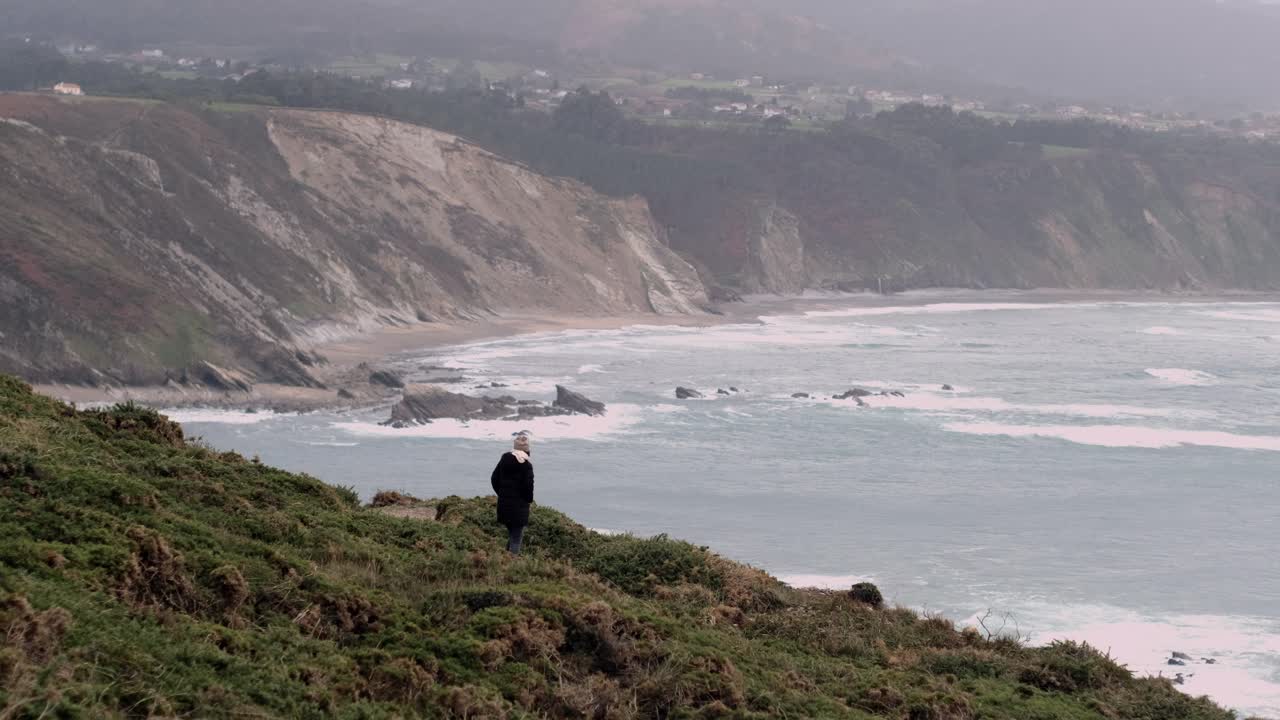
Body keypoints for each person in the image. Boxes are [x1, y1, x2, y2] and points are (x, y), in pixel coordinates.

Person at [491, 434, 534, 554]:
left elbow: (494, 478)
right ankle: (512, 566)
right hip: (519, 507)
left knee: (512, 535)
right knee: (516, 538)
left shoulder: (504, 459)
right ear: (527, 449)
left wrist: (502, 494)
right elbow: (528, 487)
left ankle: (505, 560)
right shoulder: (526, 465)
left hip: (504, 505)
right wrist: (528, 500)